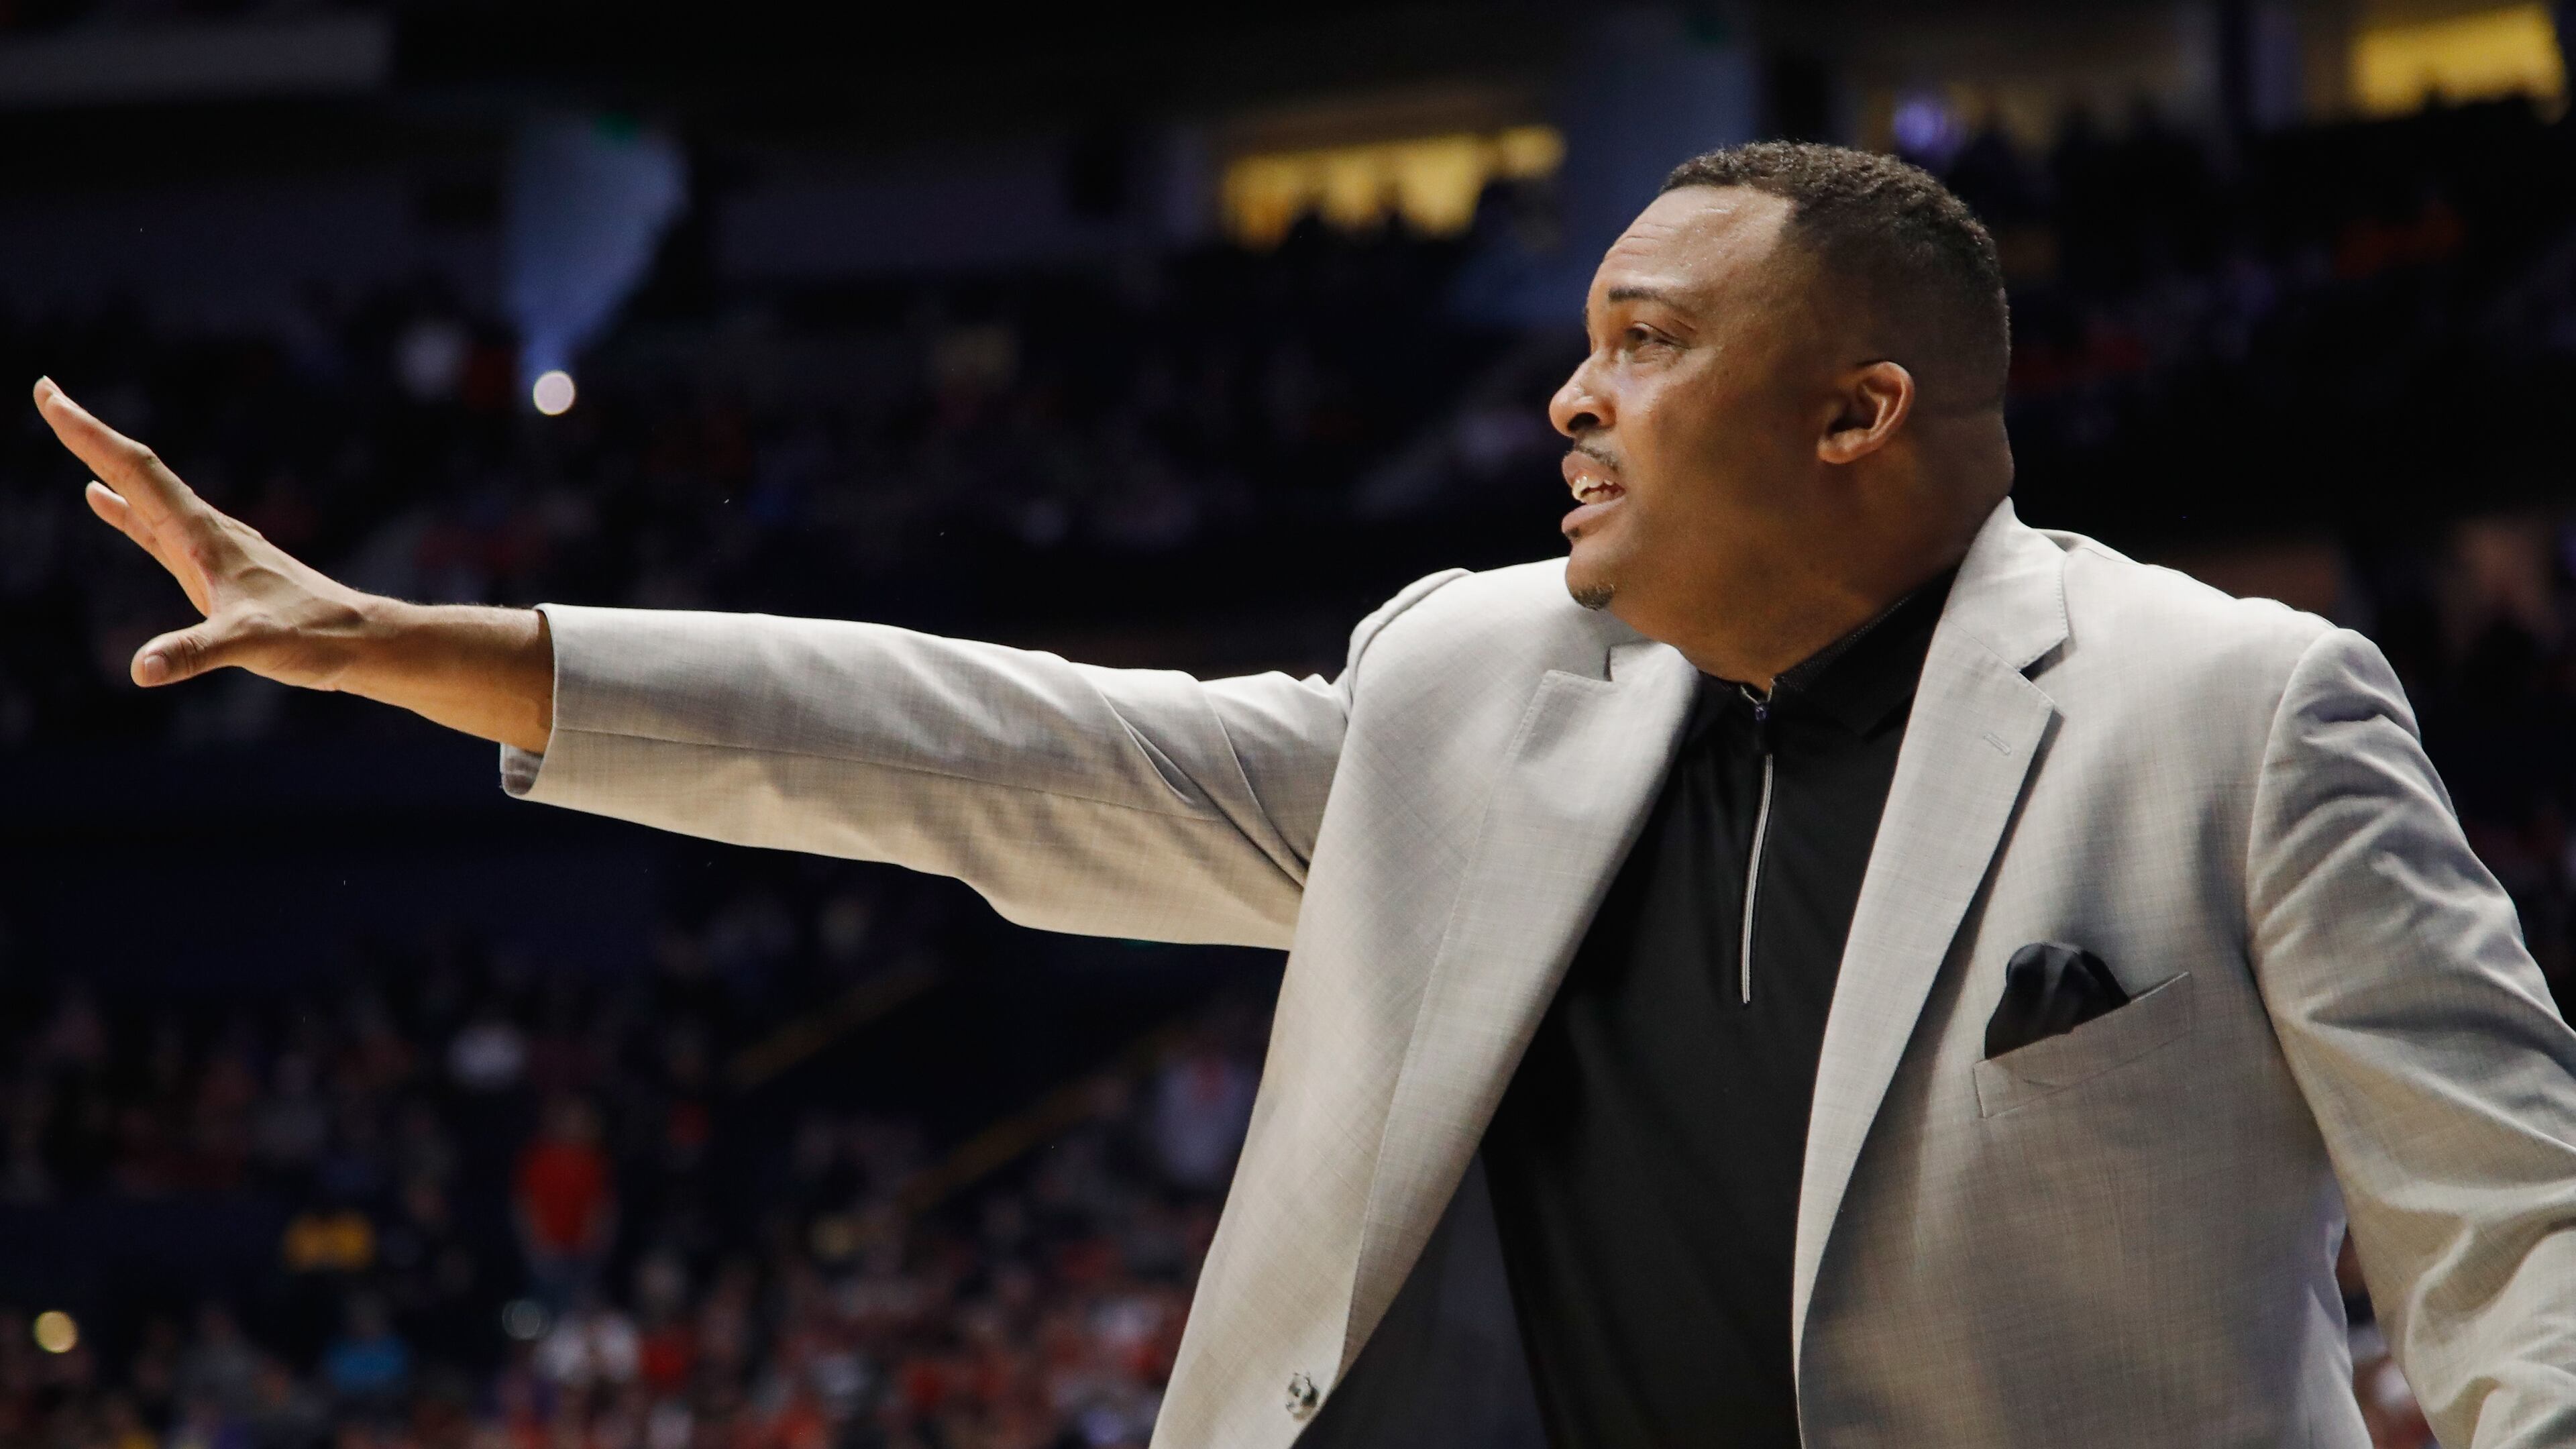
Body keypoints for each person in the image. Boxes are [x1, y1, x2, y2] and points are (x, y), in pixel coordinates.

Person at [30, 142, 2576, 1448]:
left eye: (1644, 344)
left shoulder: (2243, 710)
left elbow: (2519, 1250)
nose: (1568, 399)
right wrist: (435, 651)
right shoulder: (1476, 682)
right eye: (1581, 343)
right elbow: (1004, 750)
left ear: (1859, 411)